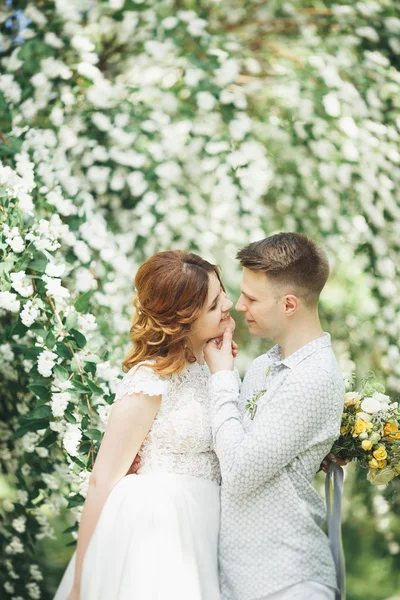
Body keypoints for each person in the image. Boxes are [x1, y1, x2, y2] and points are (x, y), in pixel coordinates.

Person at [53, 250, 237, 600]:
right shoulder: (150, 380)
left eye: (222, 292)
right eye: (214, 305)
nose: (228, 303)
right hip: (157, 535)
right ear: (183, 319)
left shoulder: (218, 368)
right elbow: (101, 480)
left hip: (209, 531)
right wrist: (82, 578)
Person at [204, 232, 345, 600]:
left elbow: (239, 472)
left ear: (288, 304)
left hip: (288, 580)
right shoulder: (264, 366)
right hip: (239, 580)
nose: (237, 305)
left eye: (251, 298)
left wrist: (221, 378)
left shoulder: (314, 377)